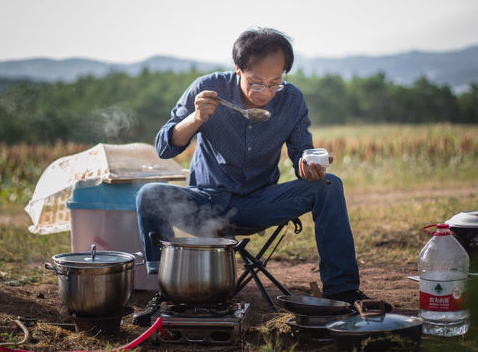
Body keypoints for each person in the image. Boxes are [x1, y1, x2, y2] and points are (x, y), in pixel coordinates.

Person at [132, 27, 368, 325]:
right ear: (238, 70)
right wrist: (196, 118)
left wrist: (307, 165)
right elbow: (164, 147)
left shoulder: (292, 100)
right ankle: (164, 290)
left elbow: (300, 152)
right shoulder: (208, 88)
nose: (265, 93)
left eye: (275, 83)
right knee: (149, 195)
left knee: (329, 186)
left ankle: (344, 291)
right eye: (256, 82)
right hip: (205, 204)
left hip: (258, 204)